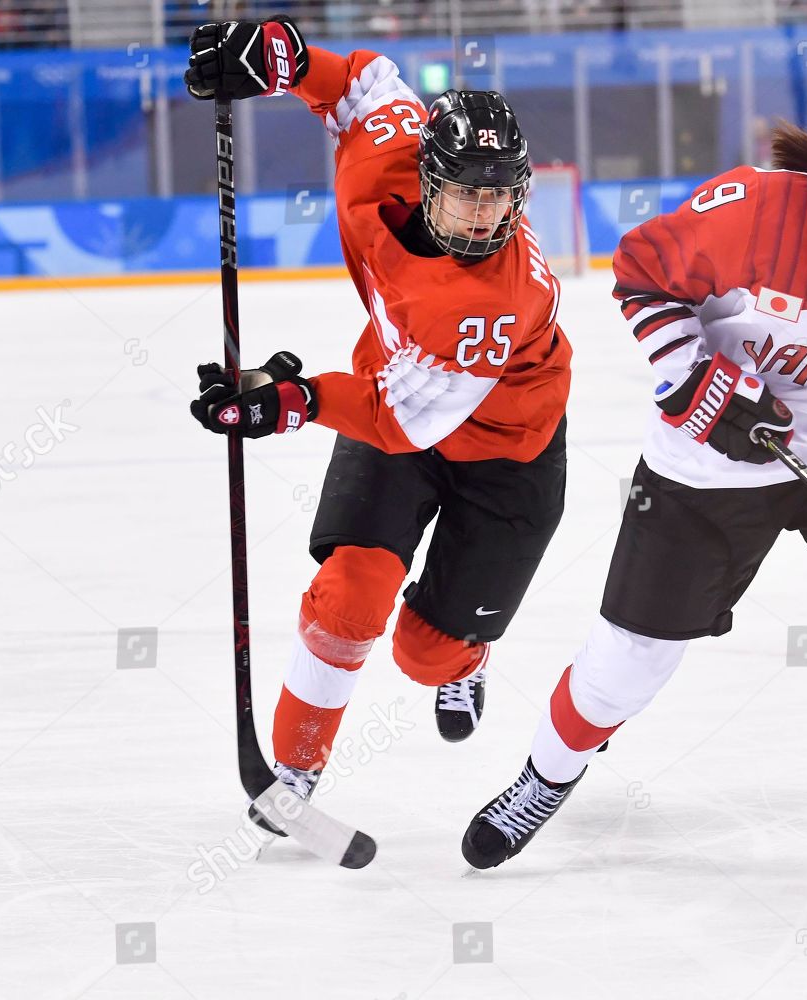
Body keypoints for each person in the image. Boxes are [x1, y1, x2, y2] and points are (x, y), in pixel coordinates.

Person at [460, 69, 807, 899]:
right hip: (706, 466)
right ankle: (547, 774)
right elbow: (642, 274)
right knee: (628, 666)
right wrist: (697, 380)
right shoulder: (755, 212)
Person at [183, 17, 572, 824]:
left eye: (499, 194)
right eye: (467, 190)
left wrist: (287, 399)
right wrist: (277, 56)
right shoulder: (386, 151)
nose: (482, 214)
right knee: (351, 591)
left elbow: (399, 424)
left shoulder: (494, 301)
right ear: (427, 177)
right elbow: (361, 79)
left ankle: (463, 655)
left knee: (422, 654)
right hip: (403, 391)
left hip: (508, 449)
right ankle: (293, 771)